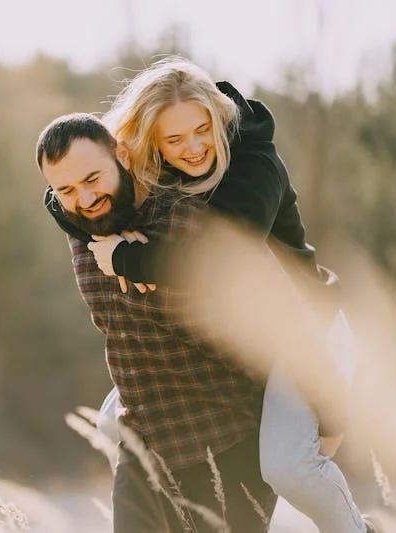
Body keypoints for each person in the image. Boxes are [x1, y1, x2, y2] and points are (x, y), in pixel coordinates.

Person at [42, 57, 379, 532]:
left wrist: (124, 259)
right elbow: (77, 193)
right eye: (174, 139)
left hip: (308, 327)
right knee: (110, 421)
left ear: (218, 119)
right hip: (250, 325)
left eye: (202, 130)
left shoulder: (252, 167)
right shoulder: (152, 172)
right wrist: (82, 211)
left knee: (288, 467)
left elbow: (216, 261)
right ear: (149, 143)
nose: (193, 148)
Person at [36, 112, 277, 532]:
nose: (85, 198)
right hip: (145, 441)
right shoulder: (80, 226)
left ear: (123, 157)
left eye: (93, 179)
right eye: (67, 190)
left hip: (227, 438)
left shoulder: (181, 219)